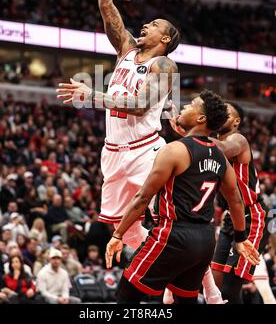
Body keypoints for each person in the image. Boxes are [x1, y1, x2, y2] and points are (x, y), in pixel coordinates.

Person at [57, 0, 180, 252]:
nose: (145, 26)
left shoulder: (164, 67)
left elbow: (139, 105)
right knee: (118, 224)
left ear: (165, 40)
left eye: (154, 25)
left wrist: (92, 95)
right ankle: (147, 279)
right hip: (112, 151)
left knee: (166, 216)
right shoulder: (126, 48)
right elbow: (106, 4)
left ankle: (204, 290)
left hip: (146, 150)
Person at [105, 91, 260, 304]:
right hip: (205, 240)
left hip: (173, 234)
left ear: (201, 118)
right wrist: (241, 238)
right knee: (185, 301)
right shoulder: (219, 156)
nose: (185, 107)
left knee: (126, 295)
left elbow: (142, 197)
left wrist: (118, 234)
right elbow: (235, 199)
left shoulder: (174, 150)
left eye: (191, 105)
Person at [207, 103, 271, 304]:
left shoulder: (238, 140)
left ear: (236, 121)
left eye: (226, 112)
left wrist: (191, 133)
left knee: (228, 288)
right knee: (216, 289)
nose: (220, 113)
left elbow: (224, 149)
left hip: (253, 216)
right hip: (232, 217)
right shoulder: (209, 145)